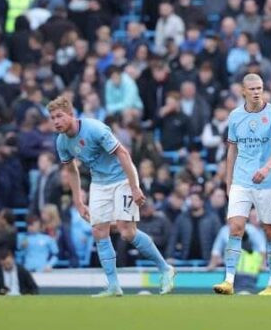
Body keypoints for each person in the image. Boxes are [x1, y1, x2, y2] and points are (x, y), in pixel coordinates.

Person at [47, 96, 175, 297]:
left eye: (59, 116)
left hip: (122, 177)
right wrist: (78, 201)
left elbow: (123, 154)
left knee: (127, 232)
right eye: (52, 117)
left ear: (71, 114)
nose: (55, 121)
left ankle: (165, 268)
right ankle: (114, 286)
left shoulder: (95, 129)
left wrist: (134, 187)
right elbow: (71, 171)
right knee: (99, 231)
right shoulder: (62, 142)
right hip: (100, 182)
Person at [213, 73, 271, 296]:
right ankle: (228, 280)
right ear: (243, 91)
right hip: (242, 180)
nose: (256, 92)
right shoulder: (235, 116)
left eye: (260, 88)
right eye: (252, 89)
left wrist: (266, 169)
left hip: (269, 181)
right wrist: (228, 182)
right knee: (235, 227)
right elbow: (232, 150)